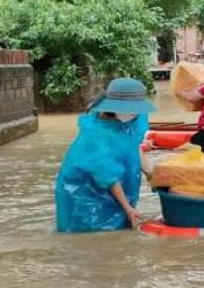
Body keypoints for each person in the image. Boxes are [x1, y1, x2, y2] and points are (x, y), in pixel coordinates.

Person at [55, 77, 155, 232]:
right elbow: (109, 178)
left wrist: (150, 173)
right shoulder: (95, 135)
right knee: (91, 234)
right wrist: (128, 208)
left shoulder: (132, 120)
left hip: (118, 186)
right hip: (84, 193)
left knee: (122, 229)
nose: (136, 114)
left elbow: (134, 145)